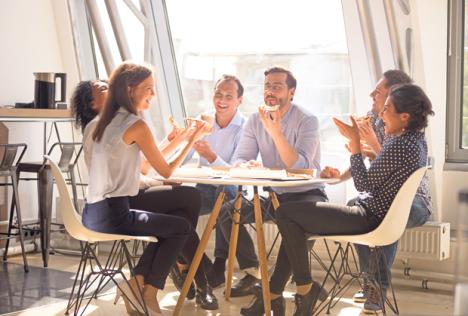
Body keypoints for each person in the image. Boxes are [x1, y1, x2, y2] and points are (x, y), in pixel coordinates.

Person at [243, 83, 434, 316]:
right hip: (373, 215)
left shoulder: (399, 145)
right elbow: (376, 180)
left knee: (285, 213)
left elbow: (364, 184)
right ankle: (293, 291)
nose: (381, 115)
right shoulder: (415, 142)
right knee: (292, 217)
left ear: (404, 117)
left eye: (386, 110)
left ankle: (304, 289)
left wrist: (355, 146)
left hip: (369, 218)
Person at [81, 61, 215, 315]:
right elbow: (165, 171)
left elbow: (141, 168)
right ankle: (151, 288)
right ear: (131, 90)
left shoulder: (95, 123)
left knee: (180, 214)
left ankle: (141, 283)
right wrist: (192, 140)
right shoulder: (135, 124)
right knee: (186, 210)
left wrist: (181, 140)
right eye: (149, 89)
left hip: (94, 210)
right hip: (117, 212)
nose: (153, 95)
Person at [321, 70, 432, 313]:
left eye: (379, 92)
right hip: (384, 192)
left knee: (387, 213)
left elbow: (388, 163)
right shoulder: (376, 120)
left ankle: (376, 285)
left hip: (415, 200)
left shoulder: (403, 132)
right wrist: (337, 175)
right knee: (362, 204)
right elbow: (362, 159)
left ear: (396, 97)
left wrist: (371, 145)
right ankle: (371, 281)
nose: (372, 95)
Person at [212, 67, 328, 298]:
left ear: (291, 92)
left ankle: (272, 294)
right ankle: (253, 274)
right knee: (226, 213)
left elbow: (300, 167)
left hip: (308, 195)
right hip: (275, 196)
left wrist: (276, 132)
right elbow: (240, 159)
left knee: (291, 220)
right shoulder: (255, 120)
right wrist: (247, 165)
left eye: (277, 86)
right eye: (267, 86)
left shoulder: (308, 120)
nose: (270, 91)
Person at [170, 75, 246, 290]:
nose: (222, 100)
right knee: (175, 208)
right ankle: (199, 262)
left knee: (227, 199)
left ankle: (220, 265)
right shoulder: (203, 121)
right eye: (218, 94)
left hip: (231, 187)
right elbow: (182, 156)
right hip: (204, 188)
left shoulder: (245, 127)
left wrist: (212, 156)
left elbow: (237, 170)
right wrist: (174, 149)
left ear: (239, 100)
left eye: (229, 96)